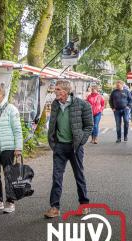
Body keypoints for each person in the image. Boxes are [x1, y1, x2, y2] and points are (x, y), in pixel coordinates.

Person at [44, 80, 93, 218]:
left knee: (79, 176)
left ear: (65, 91)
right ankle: (54, 207)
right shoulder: (55, 104)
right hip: (59, 146)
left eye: (58, 89)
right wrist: (53, 143)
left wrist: (81, 141)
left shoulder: (82, 104)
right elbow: (53, 124)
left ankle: (84, 205)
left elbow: (89, 125)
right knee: (57, 177)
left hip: (75, 147)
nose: (55, 91)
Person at [0, 82, 23, 213]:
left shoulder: (11, 109)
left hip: (8, 146)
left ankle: (10, 202)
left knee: (8, 174)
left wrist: (18, 147)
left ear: (3, 92)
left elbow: (17, 130)